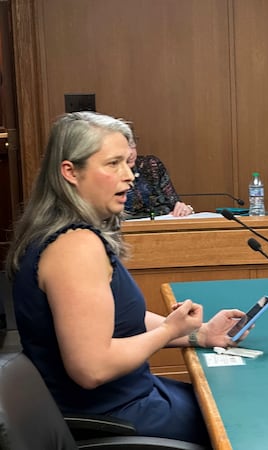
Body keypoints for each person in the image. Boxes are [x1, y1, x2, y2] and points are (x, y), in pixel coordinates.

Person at [4, 112, 247, 446]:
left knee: (230, 403)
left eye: (127, 164)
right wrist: (168, 330)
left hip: (130, 399)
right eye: (113, 164)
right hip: (115, 416)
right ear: (70, 172)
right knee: (247, 424)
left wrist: (198, 334)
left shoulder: (69, 234)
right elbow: (92, 368)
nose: (130, 176)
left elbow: (118, 320)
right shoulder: (74, 247)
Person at [125, 131, 194, 218]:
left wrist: (184, 209)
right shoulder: (106, 175)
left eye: (131, 144)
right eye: (123, 147)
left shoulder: (151, 166)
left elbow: (175, 204)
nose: (130, 152)